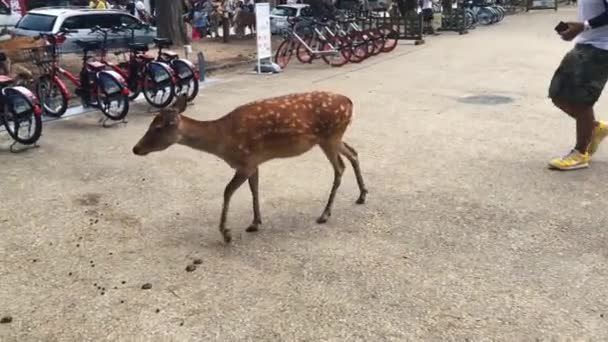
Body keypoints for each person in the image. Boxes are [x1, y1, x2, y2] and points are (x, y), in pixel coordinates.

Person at [547, 0, 608, 170]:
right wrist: (578, 29)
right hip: (586, 43)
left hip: (601, 48)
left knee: (580, 99)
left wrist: (584, 26)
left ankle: (580, 153)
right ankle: (594, 129)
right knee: (558, 92)